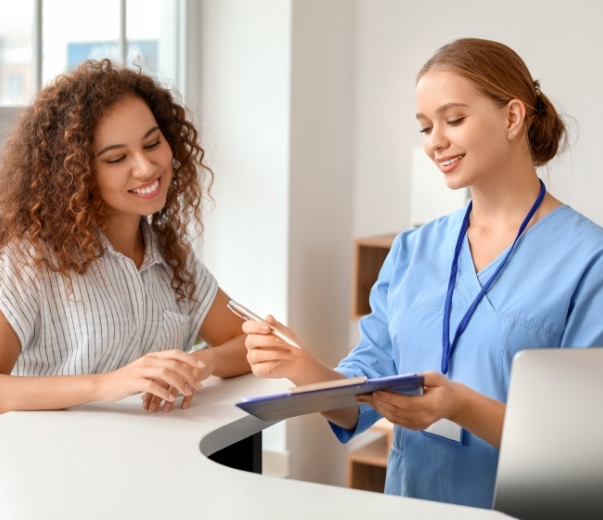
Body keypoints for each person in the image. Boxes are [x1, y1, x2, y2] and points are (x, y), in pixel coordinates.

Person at [242, 38, 603, 509]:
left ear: (513, 117)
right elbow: (360, 398)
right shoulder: (413, 250)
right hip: (411, 502)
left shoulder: (588, 259)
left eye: (454, 120)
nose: (435, 140)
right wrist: (303, 369)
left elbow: (582, 439)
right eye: (426, 126)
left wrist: (460, 406)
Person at [0, 59, 250, 422]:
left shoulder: (168, 255)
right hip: (53, 467)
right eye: (117, 157)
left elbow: (249, 343)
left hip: (153, 458)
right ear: (77, 174)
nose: (147, 167)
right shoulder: (29, 263)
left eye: (152, 143)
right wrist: (106, 384)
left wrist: (202, 362)